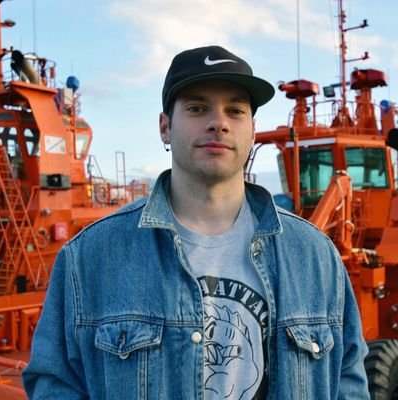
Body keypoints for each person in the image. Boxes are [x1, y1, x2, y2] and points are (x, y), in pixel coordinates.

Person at [22, 45, 370, 399]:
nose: (218, 122)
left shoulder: (315, 257)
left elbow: (348, 382)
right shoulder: (89, 258)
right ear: (164, 127)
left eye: (235, 110)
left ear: (252, 131)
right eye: (196, 108)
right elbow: (56, 385)